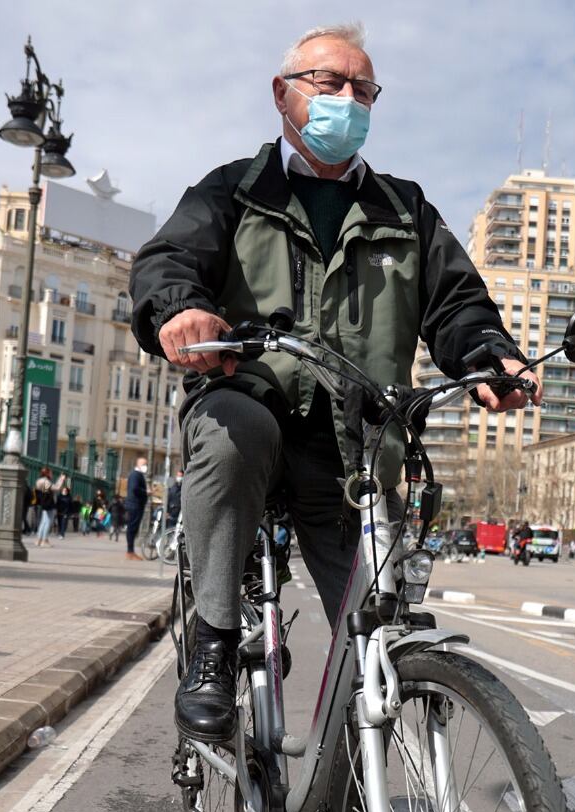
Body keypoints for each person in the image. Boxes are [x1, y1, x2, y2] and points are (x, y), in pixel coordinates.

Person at [130, 23, 529, 741]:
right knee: (235, 432)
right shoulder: (230, 191)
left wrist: (486, 355)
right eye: (330, 83)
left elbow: (458, 305)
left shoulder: (404, 209)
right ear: (282, 94)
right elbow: (167, 261)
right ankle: (215, 645)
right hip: (248, 409)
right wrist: (182, 309)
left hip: (352, 449)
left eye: (363, 89)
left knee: (375, 639)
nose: (348, 99)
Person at [124, 457, 149, 560]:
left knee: (133, 528)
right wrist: (146, 492)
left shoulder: (137, 475)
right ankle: (130, 552)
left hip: (135, 504)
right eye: (144, 464)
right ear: (138, 464)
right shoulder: (136, 475)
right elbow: (134, 488)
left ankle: (131, 551)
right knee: (132, 528)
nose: (145, 466)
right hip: (135, 505)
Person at [33, 467, 55, 547]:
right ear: (47, 473)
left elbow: (43, 493)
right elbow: (55, 488)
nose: (52, 474)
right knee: (47, 522)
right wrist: (61, 479)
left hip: (43, 503)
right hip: (48, 504)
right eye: (51, 473)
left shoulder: (39, 481)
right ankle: (44, 540)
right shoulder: (46, 482)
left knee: (43, 522)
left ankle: (39, 539)